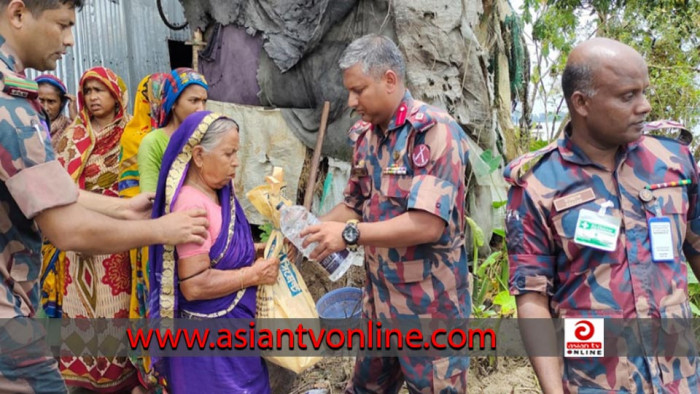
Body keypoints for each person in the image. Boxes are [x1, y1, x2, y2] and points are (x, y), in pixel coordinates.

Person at [0, 1, 208, 392]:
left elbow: (53, 192)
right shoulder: (11, 103)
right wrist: (161, 229)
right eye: (62, 25)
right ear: (18, 14)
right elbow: (65, 227)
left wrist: (125, 207)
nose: (69, 40)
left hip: (98, 245)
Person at [504, 37, 700, 393]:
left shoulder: (673, 162)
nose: (645, 106)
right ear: (582, 103)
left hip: (680, 378)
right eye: (628, 96)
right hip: (597, 380)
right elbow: (532, 300)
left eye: (644, 92)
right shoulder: (537, 185)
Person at [299, 34, 471, 393]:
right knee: (366, 388)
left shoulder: (433, 132)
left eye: (359, 90)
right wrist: (307, 229)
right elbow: (355, 204)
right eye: (349, 91)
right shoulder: (365, 137)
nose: (351, 101)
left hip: (429, 307)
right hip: (379, 299)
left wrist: (349, 234)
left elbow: (426, 225)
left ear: (390, 80)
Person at [149, 111, 280, 393]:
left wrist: (256, 251)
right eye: (228, 154)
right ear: (198, 156)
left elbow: (221, 250)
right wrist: (252, 275)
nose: (236, 162)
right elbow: (194, 286)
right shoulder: (191, 206)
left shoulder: (219, 195)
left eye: (236, 153)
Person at [119, 72, 168, 392]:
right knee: (149, 296)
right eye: (151, 96)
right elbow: (129, 190)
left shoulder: (182, 135)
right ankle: (149, 373)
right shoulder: (136, 136)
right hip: (144, 232)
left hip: (174, 231)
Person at [137, 67, 208, 193]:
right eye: (194, 101)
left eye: (204, 101)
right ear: (173, 102)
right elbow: (150, 197)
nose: (201, 109)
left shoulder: (208, 137)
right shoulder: (153, 143)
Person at [35, 73, 76, 145]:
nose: (45, 108)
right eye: (41, 100)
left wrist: (75, 118)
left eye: (51, 102)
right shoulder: (25, 125)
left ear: (62, 103)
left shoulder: (70, 128)